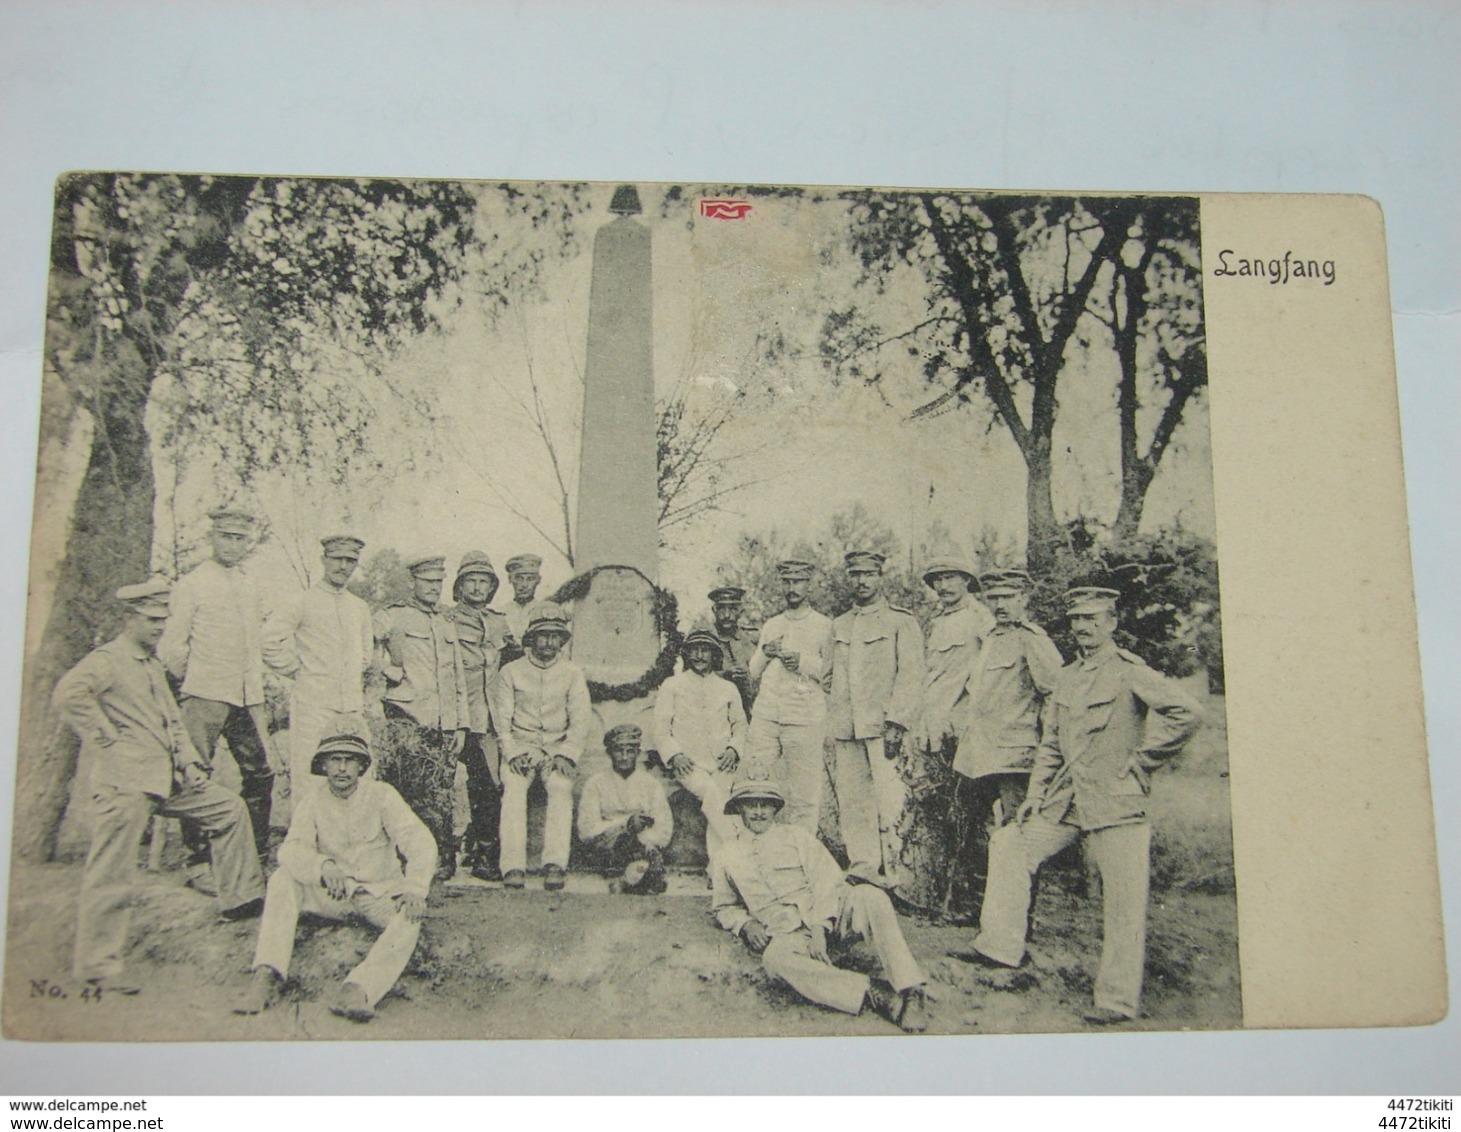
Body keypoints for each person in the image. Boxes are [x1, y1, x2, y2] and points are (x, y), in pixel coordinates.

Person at [960, 586, 1202, 1024]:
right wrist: (1035, 797)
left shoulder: (1130, 671)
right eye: (1076, 620)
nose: (1083, 628)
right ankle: (1000, 947)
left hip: (1115, 800)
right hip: (1066, 800)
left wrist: (1144, 761)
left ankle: (1116, 999)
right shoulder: (1068, 676)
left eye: (1093, 619)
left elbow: (1187, 712)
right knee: (1011, 843)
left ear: (1111, 623)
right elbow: (1052, 745)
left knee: (1124, 899)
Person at [54, 580, 264, 994]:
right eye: (151, 621)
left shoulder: (152, 665)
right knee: (111, 871)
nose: (159, 628)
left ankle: (240, 899)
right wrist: (107, 737)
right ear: (129, 619)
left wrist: (188, 761)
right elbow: (68, 694)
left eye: (163, 621)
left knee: (228, 808)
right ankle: (97, 966)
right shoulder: (109, 659)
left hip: (167, 779)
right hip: (126, 783)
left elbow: (173, 723)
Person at [234, 733, 435, 1023]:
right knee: (282, 879)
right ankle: (267, 974)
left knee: (411, 917)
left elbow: (419, 840)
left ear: (361, 766)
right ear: (323, 766)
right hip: (333, 896)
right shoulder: (312, 802)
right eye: (334, 760)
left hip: (377, 896)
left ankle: (358, 989)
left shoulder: (382, 795)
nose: (342, 768)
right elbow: (290, 849)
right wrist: (323, 866)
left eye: (349, 760)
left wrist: (415, 887)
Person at [712, 782, 928, 1032]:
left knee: (871, 896)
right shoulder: (726, 854)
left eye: (766, 804)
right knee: (774, 960)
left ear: (775, 809)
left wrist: (819, 929)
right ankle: (873, 993)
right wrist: (746, 925)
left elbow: (827, 881)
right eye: (751, 804)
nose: (759, 811)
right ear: (739, 808)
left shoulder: (796, 836)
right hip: (788, 933)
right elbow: (724, 906)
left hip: (832, 919)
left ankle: (911, 989)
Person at [157, 507, 275, 866]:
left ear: (247, 543)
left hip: (244, 697)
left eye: (240, 538)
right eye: (226, 536)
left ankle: (254, 851)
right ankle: (199, 856)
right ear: (212, 538)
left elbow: (254, 644)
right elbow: (171, 647)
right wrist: (194, 682)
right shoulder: (192, 584)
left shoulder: (249, 585)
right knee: (195, 774)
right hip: (205, 694)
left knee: (260, 773)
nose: (233, 544)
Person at [827, 550, 925, 889]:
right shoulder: (839, 625)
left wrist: (897, 722)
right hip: (846, 727)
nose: (862, 581)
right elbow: (828, 676)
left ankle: (900, 875)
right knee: (854, 802)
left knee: (892, 799)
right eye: (855, 574)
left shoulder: (901, 621)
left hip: (884, 727)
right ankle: (863, 866)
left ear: (881, 576)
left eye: (868, 574)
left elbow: (911, 676)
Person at [373, 554, 468, 880]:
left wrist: (460, 724)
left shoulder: (445, 621)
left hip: (442, 722)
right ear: (414, 581)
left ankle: (441, 860)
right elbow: (365, 647)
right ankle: (403, 860)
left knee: (441, 791)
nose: (433, 588)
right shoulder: (394, 616)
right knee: (408, 791)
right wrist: (390, 672)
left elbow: (456, 677)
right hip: (408, 716)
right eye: (427, 582)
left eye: (438, 582)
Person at [262, 534, 374, 808]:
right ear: (324, 560)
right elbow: (268, 641)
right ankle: (306, 843)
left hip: (351, 707)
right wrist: (299, 671)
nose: (343, 567)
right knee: (311, 777)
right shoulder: (303, 600)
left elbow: (366, 656)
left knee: (360, 777)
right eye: (337, 559)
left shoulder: (358, 607)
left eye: (351, 561)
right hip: (314, 705)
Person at [952, 569, 1064, 830]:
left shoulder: (1032, 639)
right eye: (993, 598)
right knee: (974, 828)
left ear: (1023, 598)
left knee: (1019, 826)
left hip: (1016, 757)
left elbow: (1055, 695)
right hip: (980, 754)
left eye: (1008, 597)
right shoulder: (989, 638)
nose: (1000, 605)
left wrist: (1050, 747)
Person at [496, 603, 591, 891]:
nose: (549, 642)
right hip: (521, 747)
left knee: (561, 787)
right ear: (531, 638)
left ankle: (555, 864)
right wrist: (512, 753)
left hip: (556, 747)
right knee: (513, 789)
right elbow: (502, 720)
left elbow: (580, 720)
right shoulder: (511, 672)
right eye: (543, 635)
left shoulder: (572, 673)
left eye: (555, 636)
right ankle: (513, 866)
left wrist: (566, 754)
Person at [745, 559, 833, 832]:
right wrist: (766, 653)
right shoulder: (772, 624)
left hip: (804, 717)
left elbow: (832, 676)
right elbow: (753, 670)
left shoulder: (824, 625)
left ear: (809, 585)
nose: (791, 588)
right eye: (787, 582)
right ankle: (758, 848)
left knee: (804, 794)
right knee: (757, 782)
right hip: (767, 716)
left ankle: (802, 854)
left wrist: (804, 662)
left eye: (798, 582)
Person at [653, 629, 745, 865]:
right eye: (694, 650)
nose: (699, 656)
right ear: (687, 654)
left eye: (705, 651)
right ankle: (740, 852)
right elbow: (661, 728)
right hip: (689, 764)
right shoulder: (672, 685)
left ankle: (717, 869)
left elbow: (741, 726)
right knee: (713, 795)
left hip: (723, 764)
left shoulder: (728, 688)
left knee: (721, 797)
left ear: (714, 655)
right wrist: (675, 755)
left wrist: (734, 749)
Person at [448, 551, 511, 881]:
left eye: (483, 581)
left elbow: (512, 661)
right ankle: (446, 850)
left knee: (487, 783)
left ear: (491, 587)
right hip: (456, 713)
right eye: (470, 580)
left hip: (489, 715)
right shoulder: (447, 620)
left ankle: (485, 852)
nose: (477, 587)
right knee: (445, 782)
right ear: (459, 586)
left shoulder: (499, 622)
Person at [576, 724, 673, 894]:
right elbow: (586, 830)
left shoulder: (651, 785)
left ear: (638, 753)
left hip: (642, 846)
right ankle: (640, 877)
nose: (624, 757)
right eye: (618, 751)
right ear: (609, 753)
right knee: (625, 851)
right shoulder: (595, 783)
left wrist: (643, 841)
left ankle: (631, 880)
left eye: (630, 751)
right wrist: (625, 826)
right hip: (607, 849)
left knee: (643, 855)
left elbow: (664, 828)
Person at [918, 556, 995, 761]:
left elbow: (992, 669)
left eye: (950, 578)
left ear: (966, 581)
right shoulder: (935, 621)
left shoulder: (980, 617)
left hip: (962, 725)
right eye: (938, 580)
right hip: (932, 722)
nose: (943, 586)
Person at [708, 585, 758, 716]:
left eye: (732, 609)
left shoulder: (751, 639)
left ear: (740, 611)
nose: (726, 615)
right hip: (712, 711)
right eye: (721, 609)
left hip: (747, 711)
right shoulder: (704, 640)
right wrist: (725, 675)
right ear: (714, 610)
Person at [502, 554, 544, 652]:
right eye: (519, 578)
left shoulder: (543, 611)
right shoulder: (500, 613)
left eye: (530, 579)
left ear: (538, 580)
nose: (524, 585)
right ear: (510, 579)